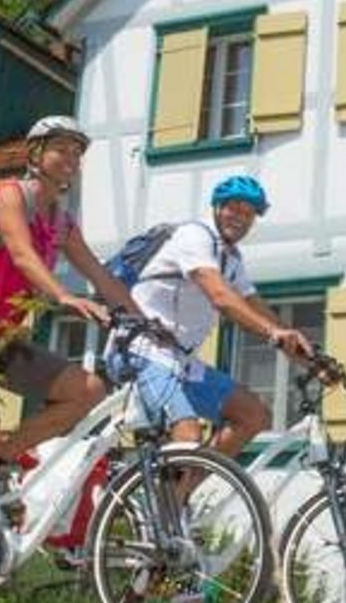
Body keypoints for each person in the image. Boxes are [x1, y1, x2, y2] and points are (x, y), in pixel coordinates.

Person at [0, 115, 136, 593]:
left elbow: (100, 274)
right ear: (36, 153)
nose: (71, 159)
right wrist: (62, 295)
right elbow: (22, 255)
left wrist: (146, 322)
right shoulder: (9, 194)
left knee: (87, 390)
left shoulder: (60, 221)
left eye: (77, 153)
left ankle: (0, 459)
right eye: (62, 148)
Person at [114, 175, 312, 458]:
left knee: (253, 415)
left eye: (249, 213)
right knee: (187, 434)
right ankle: (168, 485)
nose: (240, 218)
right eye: (234, 208)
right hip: (141, 351)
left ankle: (186, 485)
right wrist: (272, 334)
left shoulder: (231, 258)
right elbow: (220, 296)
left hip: (179, 361)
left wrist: (306, 354)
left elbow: (254, 305)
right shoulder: (194, 236)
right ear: (217, 207)